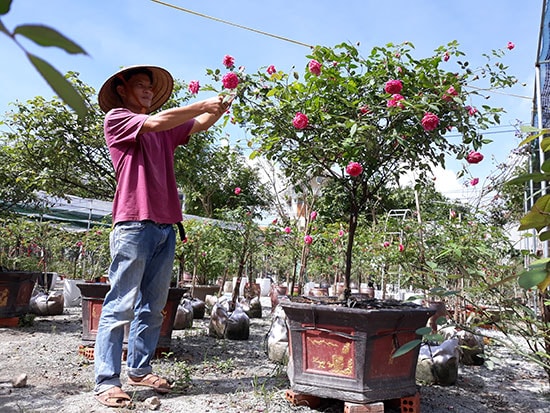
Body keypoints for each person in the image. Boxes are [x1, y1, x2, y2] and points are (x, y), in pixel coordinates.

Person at [94, 65, 231, 408]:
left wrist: (216, 110)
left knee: (153, 307)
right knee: (120, 304)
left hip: (164, 227)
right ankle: (107, 380)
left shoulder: (165, 131)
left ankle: (139, 370)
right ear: (122, 89)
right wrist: (202, 103)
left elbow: (195, 126)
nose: (147, 91)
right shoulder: (118, 119)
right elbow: (156, 121)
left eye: (150, 88)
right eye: (140, 85)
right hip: (133, 225)